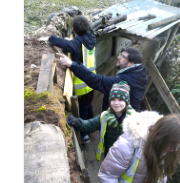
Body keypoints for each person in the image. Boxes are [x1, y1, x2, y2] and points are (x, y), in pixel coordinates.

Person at [39, 15, 97, 143]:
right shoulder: (91, 38)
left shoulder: (76, 44)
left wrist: (50, 38)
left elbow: (65, 44)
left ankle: (84, 135)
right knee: (89, 106)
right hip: (93, 81)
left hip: (82, 84)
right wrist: (71, 42)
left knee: (82, 110)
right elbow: (73, 44)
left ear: (73, 29)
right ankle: (93, 125)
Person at [57, 47, 148, 112]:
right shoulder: (139, 73)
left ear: (131, 64)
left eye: (123, 56)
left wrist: (72, 64)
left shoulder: (125, 81)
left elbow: (98, 81)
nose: (118, 57)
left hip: (120, 126)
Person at [67, 81, 135, 161]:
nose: (116, 103)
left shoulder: (135, 119)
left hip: (127, 158)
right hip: (110, 156)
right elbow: (90, 125)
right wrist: (78, 123)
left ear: (126, 102)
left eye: (120, 100)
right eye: (113, 99)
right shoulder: (105, 116)